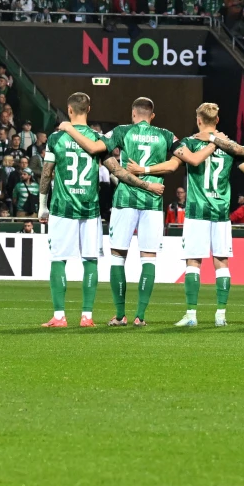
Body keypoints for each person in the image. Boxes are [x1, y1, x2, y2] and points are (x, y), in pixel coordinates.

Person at [41, 93, 165, 327]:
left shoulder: (56, 137)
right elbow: (118, 171)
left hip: (62, 207)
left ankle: (59, 317)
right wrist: (147, 184)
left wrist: (42, 207)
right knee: (90, 260)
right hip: (90, 209)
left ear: (69, 110)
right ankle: (87, 317)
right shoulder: (98, 141)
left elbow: (47, 173)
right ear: (89, 109)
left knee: (58, 259)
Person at [168, 103, 244, 327]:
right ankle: (220, 315)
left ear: (198, 120)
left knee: (193, 262)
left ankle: (192, 315)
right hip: (222, 213)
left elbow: (191, 161)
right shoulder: (229, 146)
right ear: (217, 120)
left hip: (197, 212)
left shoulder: (189, 142)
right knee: (221, 262)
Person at [96, 97, 175, 326]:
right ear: (152, 116)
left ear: (133, 113)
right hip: (153, 199)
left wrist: (118, 169)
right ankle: (140, 316)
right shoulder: (166, 135)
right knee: (148, 258)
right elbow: (178, 160)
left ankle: (120, 315)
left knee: (118, 257)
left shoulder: (121, 131)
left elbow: (100, 148)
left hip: (125, 198)